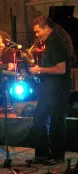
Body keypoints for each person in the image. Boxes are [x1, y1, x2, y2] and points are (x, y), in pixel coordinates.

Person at [28, 16, 72, 165]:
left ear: (47, 27)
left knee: (56, 121)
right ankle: (42, 155)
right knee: (40, 117)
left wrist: (39, 70)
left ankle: (57, 156)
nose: (36, 35)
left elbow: (61, 69)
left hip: (59, 86)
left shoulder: (56, 42)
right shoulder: (49, 42)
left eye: (38, 31)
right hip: (49, 86)